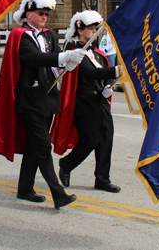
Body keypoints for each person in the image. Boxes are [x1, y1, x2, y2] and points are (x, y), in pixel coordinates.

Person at [0, 0, 85, 209]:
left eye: (46, 14)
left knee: (35, 148)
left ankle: (25, 188)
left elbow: (53, 61)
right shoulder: (19, 34)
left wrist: (66, 64)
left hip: (48, 98)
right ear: (28, 14)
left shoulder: (49, 35)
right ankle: (58, 193)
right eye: (40, 13)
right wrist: (62, 57)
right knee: (43, 147)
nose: (44, 17)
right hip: (30, 100)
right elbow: (31, 58)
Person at [52, 11, 122, 193]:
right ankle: (67, 164)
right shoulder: (75, 52)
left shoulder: (97, 53)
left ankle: (102, 179)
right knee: (90, 140)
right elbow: (89, 73)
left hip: (100, 100)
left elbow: (103, 71)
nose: (94, 31)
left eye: (95, 28)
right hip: (83, 102)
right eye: (90, 28)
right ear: (80, 30)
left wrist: (108, 87)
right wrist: (115, 71)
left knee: (106, 138)